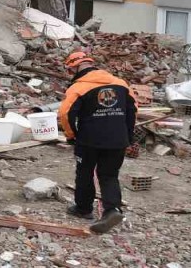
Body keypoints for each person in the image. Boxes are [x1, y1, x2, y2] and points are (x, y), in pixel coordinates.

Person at [59, 51, 137, 234]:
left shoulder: (78, 88)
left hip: (89, 140)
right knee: (109, 175)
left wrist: (71, 135)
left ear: (75, 67)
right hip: (118, 139)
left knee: (85, 173)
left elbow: (65, 114)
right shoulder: (121, 84)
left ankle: (83, 208)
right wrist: (128, 135)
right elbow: (133, 110)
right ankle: (112, 210)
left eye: (70, 70)